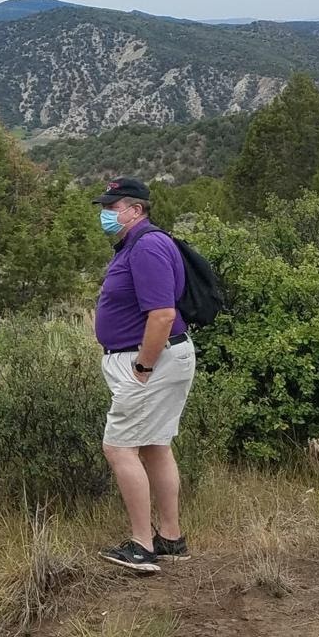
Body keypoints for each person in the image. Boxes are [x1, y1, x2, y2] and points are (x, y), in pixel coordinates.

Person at [90, 177, 196, 573]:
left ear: (136, 210)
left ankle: (142, 545)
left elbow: (163, 314)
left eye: (112, 208)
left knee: (119, 448)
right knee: (154, 444)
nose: (106, 214)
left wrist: (142, 369)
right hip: (156, 360)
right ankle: (171, 538)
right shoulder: (136, 245)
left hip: (152, 361)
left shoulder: (148, 245)